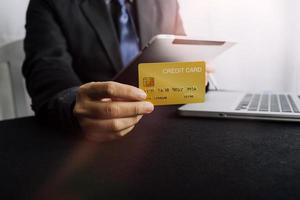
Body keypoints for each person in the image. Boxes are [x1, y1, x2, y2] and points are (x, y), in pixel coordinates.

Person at [23, 0, 208, 142]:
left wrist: (196, 73)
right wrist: (74, 104)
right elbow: (47, 67)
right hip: (92, 140)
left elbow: (179, 45)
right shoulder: (49, 3)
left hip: (167, 124)